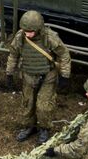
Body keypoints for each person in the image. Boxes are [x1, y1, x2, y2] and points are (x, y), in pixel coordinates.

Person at [5, 10, 72, 143]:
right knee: (27, 103)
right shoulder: (20, 37)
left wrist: (65, 76)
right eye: (25, 31)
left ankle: (44, 128)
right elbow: (13, 55)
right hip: (28, 76)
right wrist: (9, 74)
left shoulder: (49, 37)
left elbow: (64, 55)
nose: (27, 34)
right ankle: (29, 127)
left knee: (43, 105)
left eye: (31, 31)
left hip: (48, 77)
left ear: (39, 29)